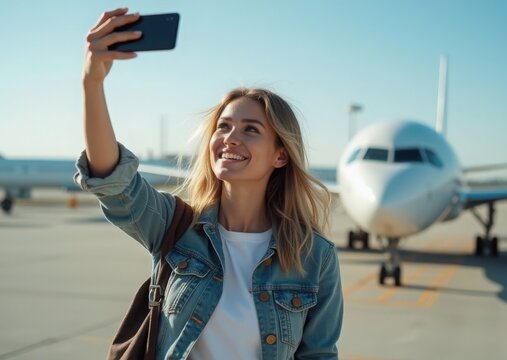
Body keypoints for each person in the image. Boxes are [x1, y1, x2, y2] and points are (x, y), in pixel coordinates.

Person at [76, 7, 343, 360]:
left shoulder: (315, 257)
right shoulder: (174, 225)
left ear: (280, 155)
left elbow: (319, 355)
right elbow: (114, 182)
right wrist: (92, 82)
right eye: (224, 126)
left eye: (251, 129)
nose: (230, 138)